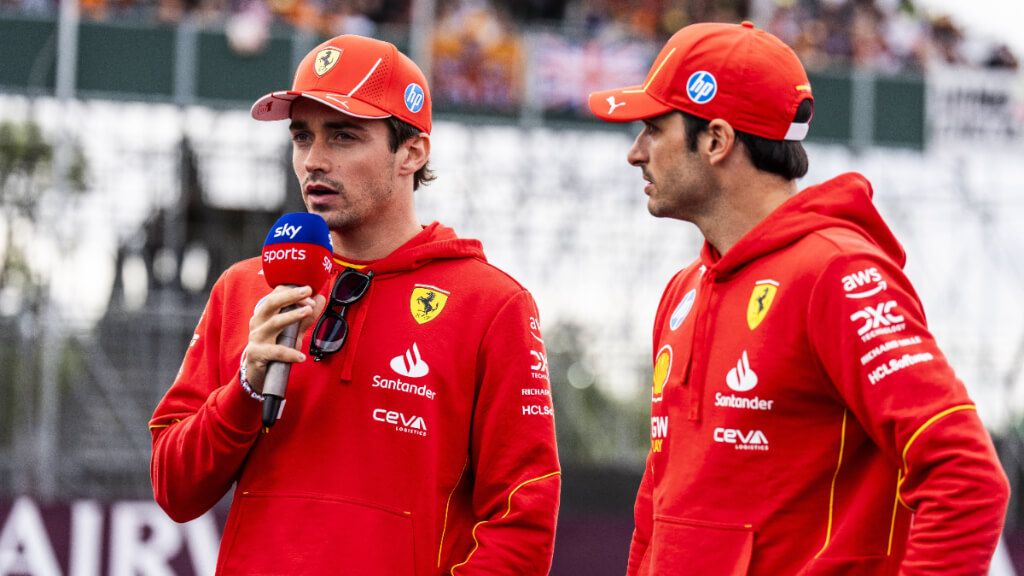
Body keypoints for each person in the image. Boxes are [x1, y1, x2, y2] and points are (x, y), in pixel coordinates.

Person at [588, 21, 1009, 575]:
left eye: (653, 129)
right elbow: (658, 504)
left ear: (716, 140)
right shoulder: (682, 292)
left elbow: (966, 478)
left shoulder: (836, 272)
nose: (635, 153)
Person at [149, 34, 561, 575]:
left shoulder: (493, 305)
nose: (313, 161)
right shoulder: (246, 287)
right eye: (302, 137)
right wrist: (246, 387)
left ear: (411, 152)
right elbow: (175, 490)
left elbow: (522, 517)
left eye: (343, 136)